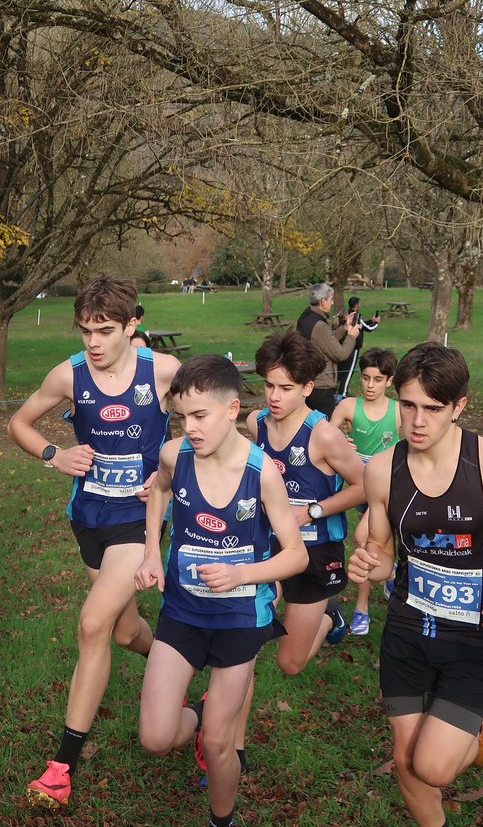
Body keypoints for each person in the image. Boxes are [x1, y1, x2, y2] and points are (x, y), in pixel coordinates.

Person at [347, 343, 483, 827]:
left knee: (432, 767)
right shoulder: (382, 470)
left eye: (433, 409)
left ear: (459, 407)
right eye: (409, 406)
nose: (417, 421)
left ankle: (481, 723)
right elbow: (382, 555)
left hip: (473, 636)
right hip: (407, 630)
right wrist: (368, 566)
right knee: (405, 762)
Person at [8, 275, 178, 809]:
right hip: (89, 516)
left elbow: (212, 424)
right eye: (85, 331)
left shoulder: (164, 373)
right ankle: (179, 658)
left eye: (105, 331)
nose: (93, 343)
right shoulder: (69, 374)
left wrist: (169, 468)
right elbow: (19, 422)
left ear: (133, 326)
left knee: (91, 625)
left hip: (137, 520)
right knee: (126, 631)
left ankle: (61, 767)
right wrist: (54, 455)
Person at [135, 354, 307, 827]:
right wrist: (153, 550)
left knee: (218, 743)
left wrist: (243, 575)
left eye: (199, 416)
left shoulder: (263, 473)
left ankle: (221, 819)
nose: (189, 427)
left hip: (238, 618)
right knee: (154, 738)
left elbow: (296, 555)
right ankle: (196, 713)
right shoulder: (175, 456)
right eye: (181, 417)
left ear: (232, 410)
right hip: (183, 611)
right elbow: (159, 492)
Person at [249, 331, 366, 674]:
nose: (274, 396)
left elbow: (364, 486)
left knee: (289, 663)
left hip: (316, 551)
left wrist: (312, 511)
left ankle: (329, 617)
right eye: (269, 385)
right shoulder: (256, 423)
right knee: (250, 621)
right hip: (268, 543)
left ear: (307, 388)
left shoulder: (324, 435)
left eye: (286, 389)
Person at [330, 347, 400, 635]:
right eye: (366, 378)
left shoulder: (398, 410)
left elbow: (415, 447)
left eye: (378, 379)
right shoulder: (348, 407)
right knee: (379, 542)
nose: (370, 386)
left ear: (390, 381)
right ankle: (392, 571)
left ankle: (362, 609)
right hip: (359, 488)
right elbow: (325, 437)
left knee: (363, 539)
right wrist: (342, 441)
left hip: (386, 489)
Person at [296, 283, 359, 417]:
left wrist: (344, 329)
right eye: (331, 300)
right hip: (321, 387)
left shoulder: (307, 316)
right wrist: (352, 336)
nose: (332, 303)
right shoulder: (319, 325)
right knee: (322, 429)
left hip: (309, 382)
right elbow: (340, 354)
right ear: (323, 301)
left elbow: (325, 340)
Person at [335, 297, 380, 397]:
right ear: (356, 305)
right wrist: (376, 322)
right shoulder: (356, 315)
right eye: (359, 303)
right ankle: (343, 394)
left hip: (343, 345)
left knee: (340, 369)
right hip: (353, 348)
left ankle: (335, 392)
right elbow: (368, 328)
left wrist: (370, 320)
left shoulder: (347, 315)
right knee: (348, 371)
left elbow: (362, 325)